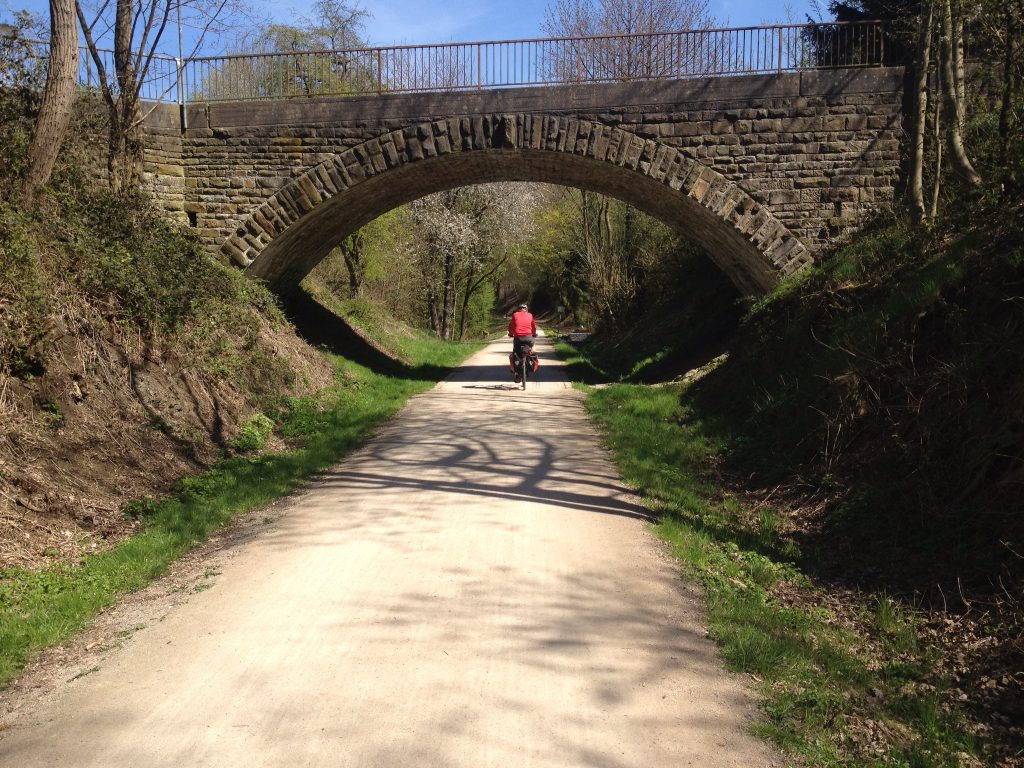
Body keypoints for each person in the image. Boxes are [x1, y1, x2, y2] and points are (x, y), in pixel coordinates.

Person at [507, 303, 537, 382]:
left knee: (515, 353)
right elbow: (534, 326)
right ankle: (530, 360)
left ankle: (517, 374)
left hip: (518, 338)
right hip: (528, 338)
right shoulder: (530, 315)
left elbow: (511, 326)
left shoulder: (515, 315)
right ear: (526, 309)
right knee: (531, 348)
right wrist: (534, 333)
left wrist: (510, 333)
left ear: (519, 309)